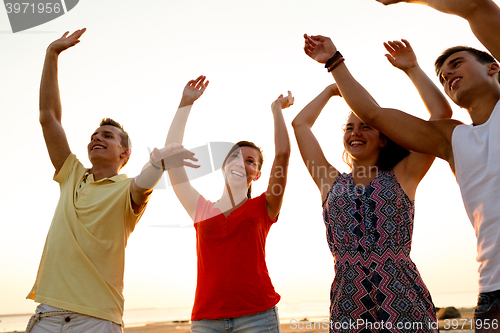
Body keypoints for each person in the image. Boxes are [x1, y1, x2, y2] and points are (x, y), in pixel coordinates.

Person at [303, 0, 500, 331]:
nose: (448, 73)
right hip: (493, 289)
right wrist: (334, 62)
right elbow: (375, 114)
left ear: (494, 67)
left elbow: (479, 7)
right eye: (443, 74)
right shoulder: (452, 140)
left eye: (456, 63)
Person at [26, 29, 198, 333]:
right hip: (49, 315)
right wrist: (52, 54)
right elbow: (48, 116)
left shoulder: (126, 190)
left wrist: (158, 162)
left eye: (107, 136)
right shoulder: (71, 175)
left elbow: (143, 182)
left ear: (125, 153)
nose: (97, 138)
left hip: (98, 320)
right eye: (94, 135)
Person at [294, 40, 452, 332]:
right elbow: (300, 124)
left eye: (365, 125)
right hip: (348, 304)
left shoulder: (405, 174)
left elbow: (440, 116)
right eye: (349, 127)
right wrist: (331, 90)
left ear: (384, 137)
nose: (355, 132)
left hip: (403, 300)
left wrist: (413, 69)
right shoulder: (328, 180)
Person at [163, 76, 292, 332]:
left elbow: (283, 155)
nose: (240, 162)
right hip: (206, 319)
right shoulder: (200, 209)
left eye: (250, 161)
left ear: (257, 174)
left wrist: (276, 110)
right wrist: (185, 102)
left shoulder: (264, 206)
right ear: (224, 166)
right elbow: (171, 157)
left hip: (258, 316)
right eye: (234, 156)